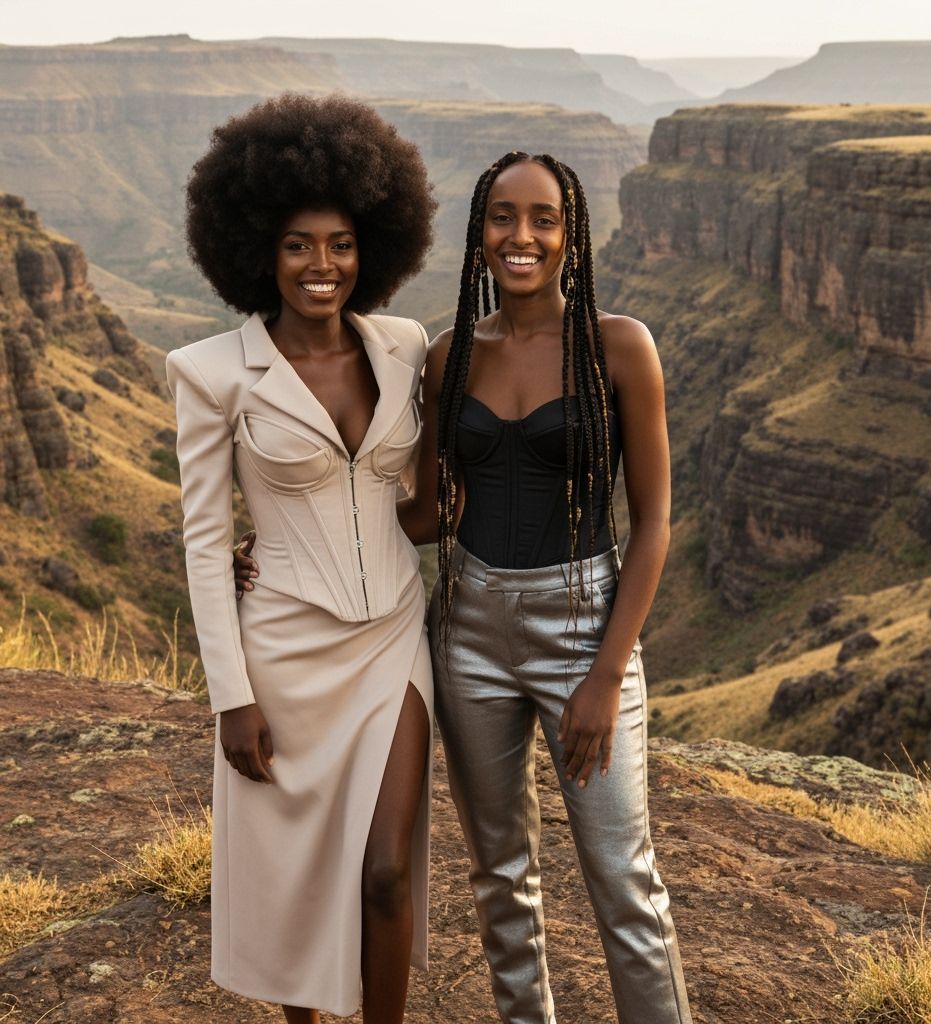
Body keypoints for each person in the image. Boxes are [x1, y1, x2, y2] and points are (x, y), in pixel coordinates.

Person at [236, 151, 693, 1023]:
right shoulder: (449, 356)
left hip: (582, 626)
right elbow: (420, 512)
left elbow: (655, 522)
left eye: (543, 219)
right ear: (480, 232)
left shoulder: (620, 347)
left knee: (624, 879)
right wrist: (284, 540)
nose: (522, 236)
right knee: (500, 876)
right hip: (469, 630)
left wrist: (606, 674)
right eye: (503, 217)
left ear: (572, 234)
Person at [168, 93, 436, 1024]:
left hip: (394, 636)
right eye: (298, 245)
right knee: (294, 872)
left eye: (342, 245)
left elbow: (416, 499)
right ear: (258, 251)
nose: (323, 265)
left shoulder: (404, 347)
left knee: (387, 870)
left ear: (374, 249)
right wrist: (230, 698)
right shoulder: (211, 373)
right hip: (281, 651)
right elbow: (206, 541)